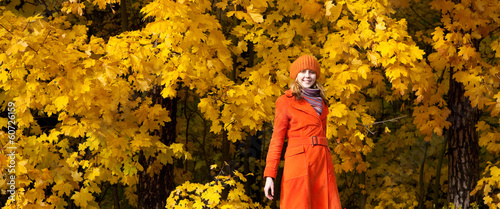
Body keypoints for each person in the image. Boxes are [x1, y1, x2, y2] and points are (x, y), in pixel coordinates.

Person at [263, 55, 342, 208]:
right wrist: (269, 176)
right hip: (299, 161)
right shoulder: (285, 101)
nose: (307, 76)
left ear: (316, 75)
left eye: (311, 72)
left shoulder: (322, 101)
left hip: (322, 161)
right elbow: (277, 140)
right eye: (303, 71)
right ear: (296, 75)